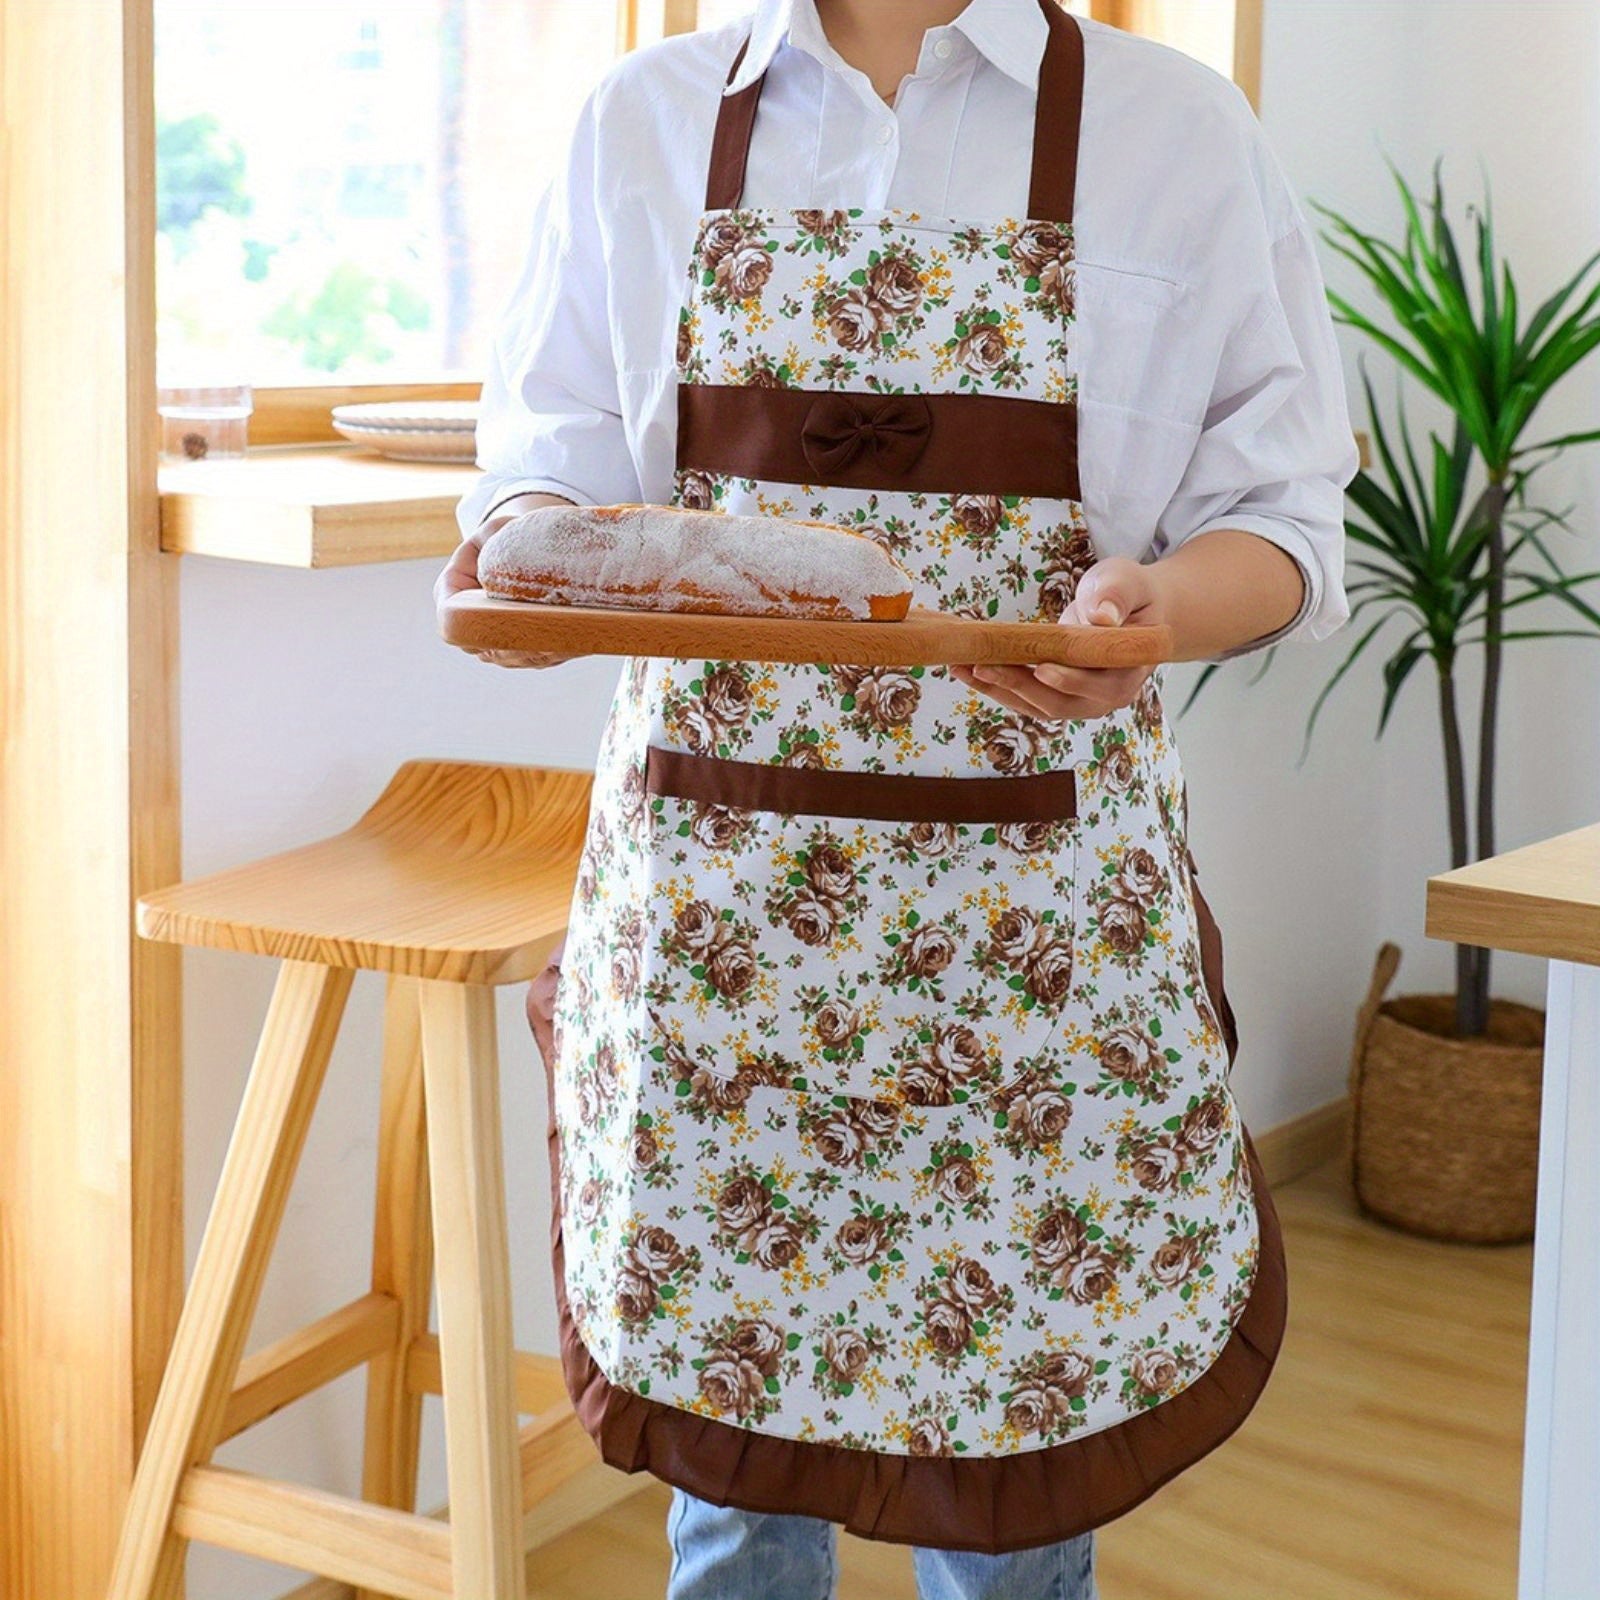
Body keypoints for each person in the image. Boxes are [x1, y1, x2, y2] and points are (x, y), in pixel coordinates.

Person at [440, 3, 1356, 1597]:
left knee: (1016, 1479)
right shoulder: (638, 121)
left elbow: (1281, 515)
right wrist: (542, 570)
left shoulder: (1178, 132)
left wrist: (1163, 612)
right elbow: (541, 468)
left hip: (1031, 934)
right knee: (733, 1478)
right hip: (723, 921)